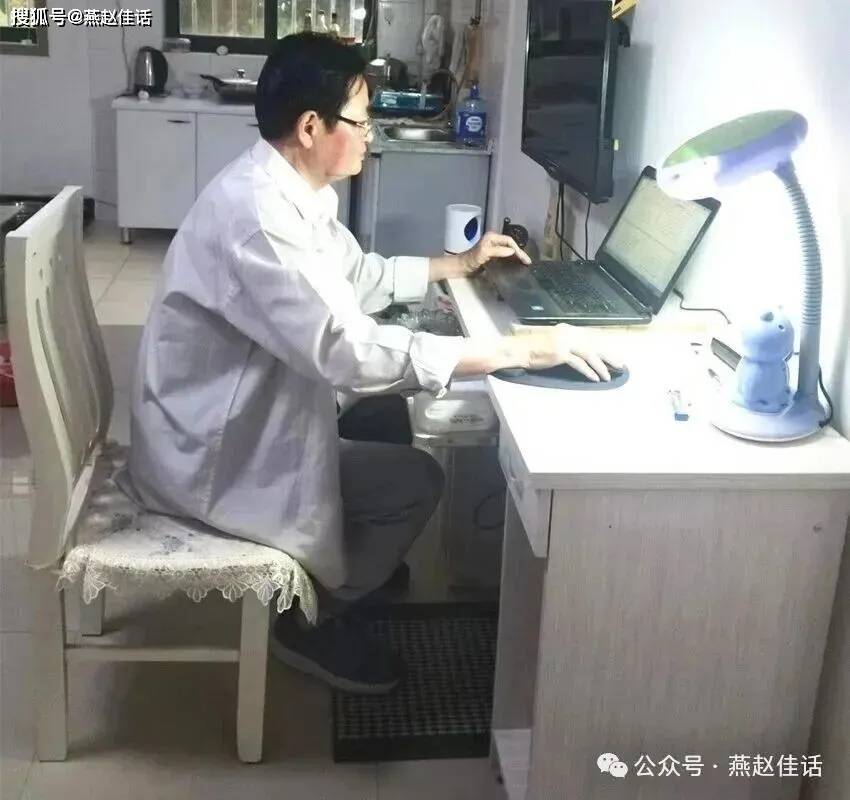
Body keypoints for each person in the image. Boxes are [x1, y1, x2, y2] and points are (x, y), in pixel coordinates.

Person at [126, 33, 621, 694]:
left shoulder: (289, 188)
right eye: (361, 122)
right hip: (216, 454)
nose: (371, 135)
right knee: (417, 481)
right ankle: (310, 618)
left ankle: (353, 565)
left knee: (386, 413)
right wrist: (516, 350)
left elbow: (357, 276)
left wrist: (457, 265)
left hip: (231, 413)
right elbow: (345, 351)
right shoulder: (259, 219)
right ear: (311, 126)